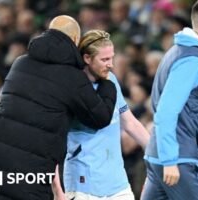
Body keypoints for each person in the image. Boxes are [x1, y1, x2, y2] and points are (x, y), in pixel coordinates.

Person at [0, 15, 117, 200]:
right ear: (75, 41)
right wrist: (107, 83)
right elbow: (100, 116)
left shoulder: (20, 63)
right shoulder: (72, 77)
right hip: (29, 173)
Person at [141, 1, 198, 199]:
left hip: (158, 156)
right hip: (176, 159)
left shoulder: (175, 52)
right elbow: (166, 111)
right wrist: (171, 160)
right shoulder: (193, 60)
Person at [62, 29, 150, 200]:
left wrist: (154, 150)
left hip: (118, 184)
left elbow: (130, 122)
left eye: (112, 58)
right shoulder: (70, 89)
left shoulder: (111, 80)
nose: (110, 64)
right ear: (87, 58)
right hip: (83, 184)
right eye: (104, 59)